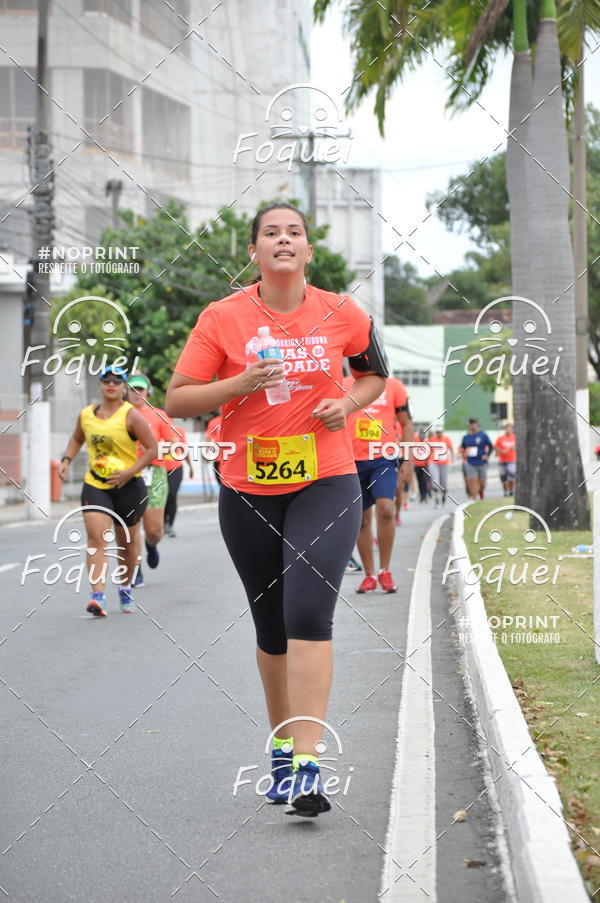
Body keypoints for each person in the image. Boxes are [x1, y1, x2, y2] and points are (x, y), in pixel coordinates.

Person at [166, 202, 387, 817]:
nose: (283, 240)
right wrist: (239, 384)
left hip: (326, 478)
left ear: (309, 250)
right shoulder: (222, 317)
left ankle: (310, 764)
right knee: (271, 627)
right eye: (271, 233)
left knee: (308, 613)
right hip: (247, 487)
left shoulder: (343, 312)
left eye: (294, 233)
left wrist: (348, 405)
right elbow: (178, 400)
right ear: (254, 252)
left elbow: (372, 376)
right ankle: (284, 750)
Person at [57, 366, 157, 616]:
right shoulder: (86, 415)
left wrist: (129, 472)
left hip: (128, 487)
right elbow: (77, 438)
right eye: (106, 380)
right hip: (96, 484)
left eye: (116, 381)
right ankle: (98, 597)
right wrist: (67, 459)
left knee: (127, 544)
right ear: (100, 384)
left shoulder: (131, 415)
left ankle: (125, 589)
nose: (111, 384)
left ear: (123, 387)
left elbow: (152, 449)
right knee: (96, 539)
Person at [345, 375, 414, 594]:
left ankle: (385, 571)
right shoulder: (344, 383)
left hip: (384, 456)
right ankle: (370, 576)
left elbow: (407, 423)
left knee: (386, 509)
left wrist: (407, 460)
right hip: (352, 460)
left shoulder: (393, 385)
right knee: (362, 519)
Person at [127, 373, 178, 586]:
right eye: (132, 389)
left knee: (154, 530)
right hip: (127, 474)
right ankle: (135, 568)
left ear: (148, 392)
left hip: (154, 473)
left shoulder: (159, 415)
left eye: (140, 389)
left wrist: (160, 449)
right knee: (131, 525)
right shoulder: (119, 415)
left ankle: (151, 545)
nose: (136, 393)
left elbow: (173, 441)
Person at [163, 422, 194, 537]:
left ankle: (169, 525)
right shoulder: (155, 430)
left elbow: (184, 449)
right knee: (162, 497)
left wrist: (190, 467)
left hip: (176, 469)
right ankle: (162, 523)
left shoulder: (179, 430)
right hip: (159, 469)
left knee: (172, 495)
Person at [459, 418, 492, 500]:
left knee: (482, 483)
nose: (473, 426)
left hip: (481, 462)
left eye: (474, 424)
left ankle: (480, 491)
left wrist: (487, 455)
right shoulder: (466, 437)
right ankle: (474, 499)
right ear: (469, 426)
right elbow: (462, 447)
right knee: (472, 480)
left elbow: (491, 446)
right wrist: (463, 454)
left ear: (477, 425)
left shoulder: (483, 435)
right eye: (471, 424)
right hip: (470, 462)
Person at [427, 424, 454, 507]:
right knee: (435, 481)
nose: (439, 433)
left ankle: (443, 496)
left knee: (443, 483)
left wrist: (452, 457)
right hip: (433, 463)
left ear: (442, 432)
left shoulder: (446, 439)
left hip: (444, 463)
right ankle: (436, 500)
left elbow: (451, 448)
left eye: (440, 432)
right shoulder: (432, 439)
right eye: (437, 432)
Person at [494, 422, 517, 496]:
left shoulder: (515, 437)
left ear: (512, 429)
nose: (508, 430)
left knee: (511, 477)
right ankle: (505, 492)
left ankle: (511, 491)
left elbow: (520, 446)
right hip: (502, 460)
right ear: (505, 429)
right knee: (503, 478)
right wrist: (501, 451)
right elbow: (496, 447)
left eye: (510, 429)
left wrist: (514, 448)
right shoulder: (500, 438)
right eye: (507, 429)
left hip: (512, 460)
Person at [414, 430, 431, 503]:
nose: (421, 438)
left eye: (422, 436)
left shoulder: (427, 443)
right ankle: (421, 495)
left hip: (425, 465)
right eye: (420, 436)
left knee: (424, 481)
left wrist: (427, 462)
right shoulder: (416, 443)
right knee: (419, 481)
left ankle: (425, 495)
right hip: (417, 465)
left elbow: (430, 453)